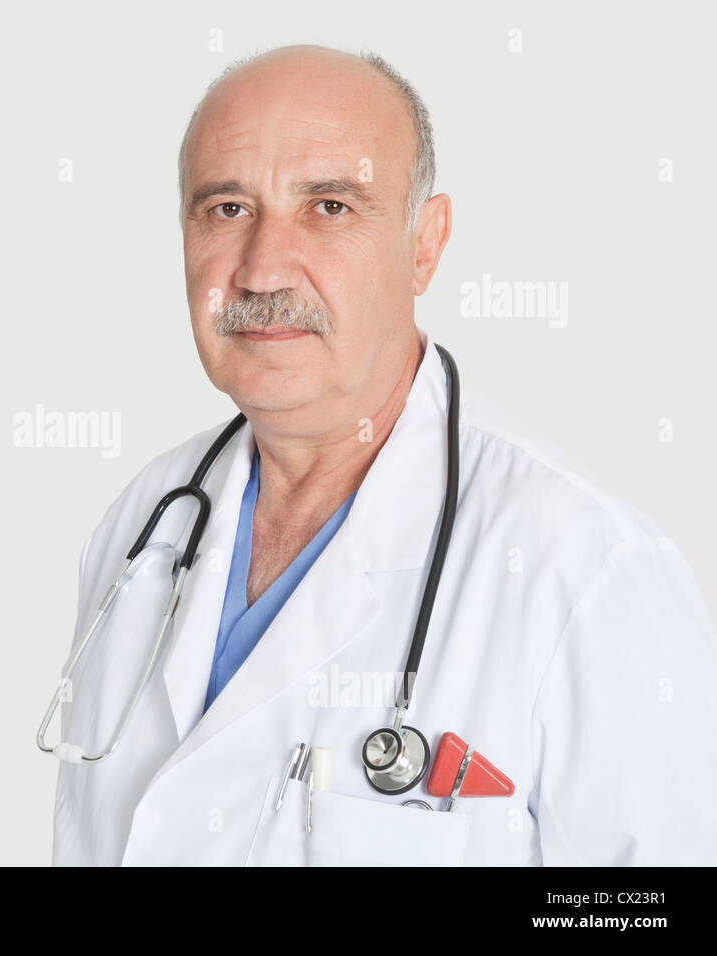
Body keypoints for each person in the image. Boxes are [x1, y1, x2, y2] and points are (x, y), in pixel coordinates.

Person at [49, 44, 717, 866]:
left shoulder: (583, 565)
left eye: (329, 206)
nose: (261, 268)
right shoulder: (143, 526)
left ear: (425, 244)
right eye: (226, 209)